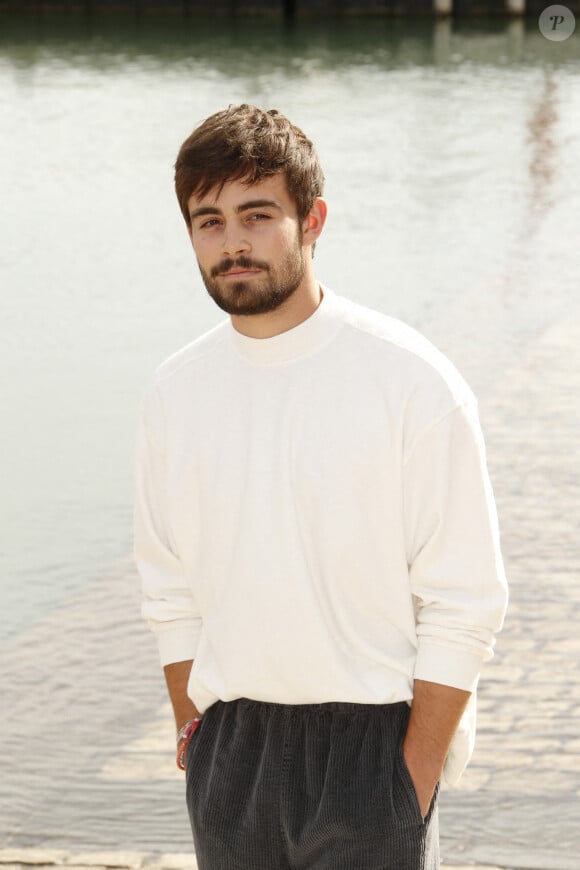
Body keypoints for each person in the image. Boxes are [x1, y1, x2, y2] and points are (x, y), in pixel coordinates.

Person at [133, 104, 508, 870]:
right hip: (233, 746)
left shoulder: (409, 380)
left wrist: (415, 769)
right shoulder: (175, 393)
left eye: (257, 214)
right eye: (208, 221)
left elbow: (466, 599)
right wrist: (195, 733)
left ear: (313, 221)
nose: (232, 240)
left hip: (375, 747)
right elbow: (169, 589)